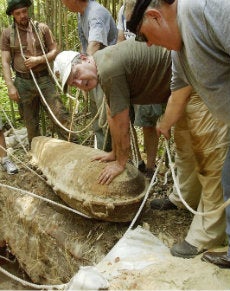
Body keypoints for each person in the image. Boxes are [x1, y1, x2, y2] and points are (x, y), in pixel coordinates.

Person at [127, 0, 230, 267]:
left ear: (155, 16)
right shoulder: (178, 51)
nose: (148, 45)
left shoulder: (206, 10)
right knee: (228, 179)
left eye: (145, 36)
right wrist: (165, 123)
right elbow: (179, 90)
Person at [53, 40, 171, 185]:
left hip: (187, 77)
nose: (79, 83)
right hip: (177, 83)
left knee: (191, 147)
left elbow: (122, 123)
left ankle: (189, 203)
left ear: (84, 58)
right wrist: (114, 153)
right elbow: (112, 115)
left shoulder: (108, 70)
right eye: (73, 83)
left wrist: (120, 163)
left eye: (76, 74)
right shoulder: (102, 65)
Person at [1, 0, 77, 147]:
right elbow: (5, 61)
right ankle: (37, 155)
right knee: (30, 123)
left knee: (60, 115)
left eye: (24, 11)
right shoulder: (7, 34)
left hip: (44, 79)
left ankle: (75, 148)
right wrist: (10, 86)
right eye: (18, 13)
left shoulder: (41, 28)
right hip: (22, 83)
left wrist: (39, 59)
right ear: (12, 14)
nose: (22, 15)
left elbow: (55, 50)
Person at [61, 0, 117, 151]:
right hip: (92, 73)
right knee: (97, 117)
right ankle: (102, 150)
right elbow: (84, 46)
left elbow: (94, 45)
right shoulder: (82, 14)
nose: (62, 3)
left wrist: (82, 75)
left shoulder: (95, 13)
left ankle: (113, 153)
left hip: (105, 73)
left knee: (107, 118)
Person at [117, 0, 163, 179]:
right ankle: (137, 161)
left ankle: (151, 168)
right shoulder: (122, 10)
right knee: (126, 118)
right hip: (128, 71)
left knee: (148, 122)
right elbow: (121, 39)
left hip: (147, 72)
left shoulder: (151, 6)